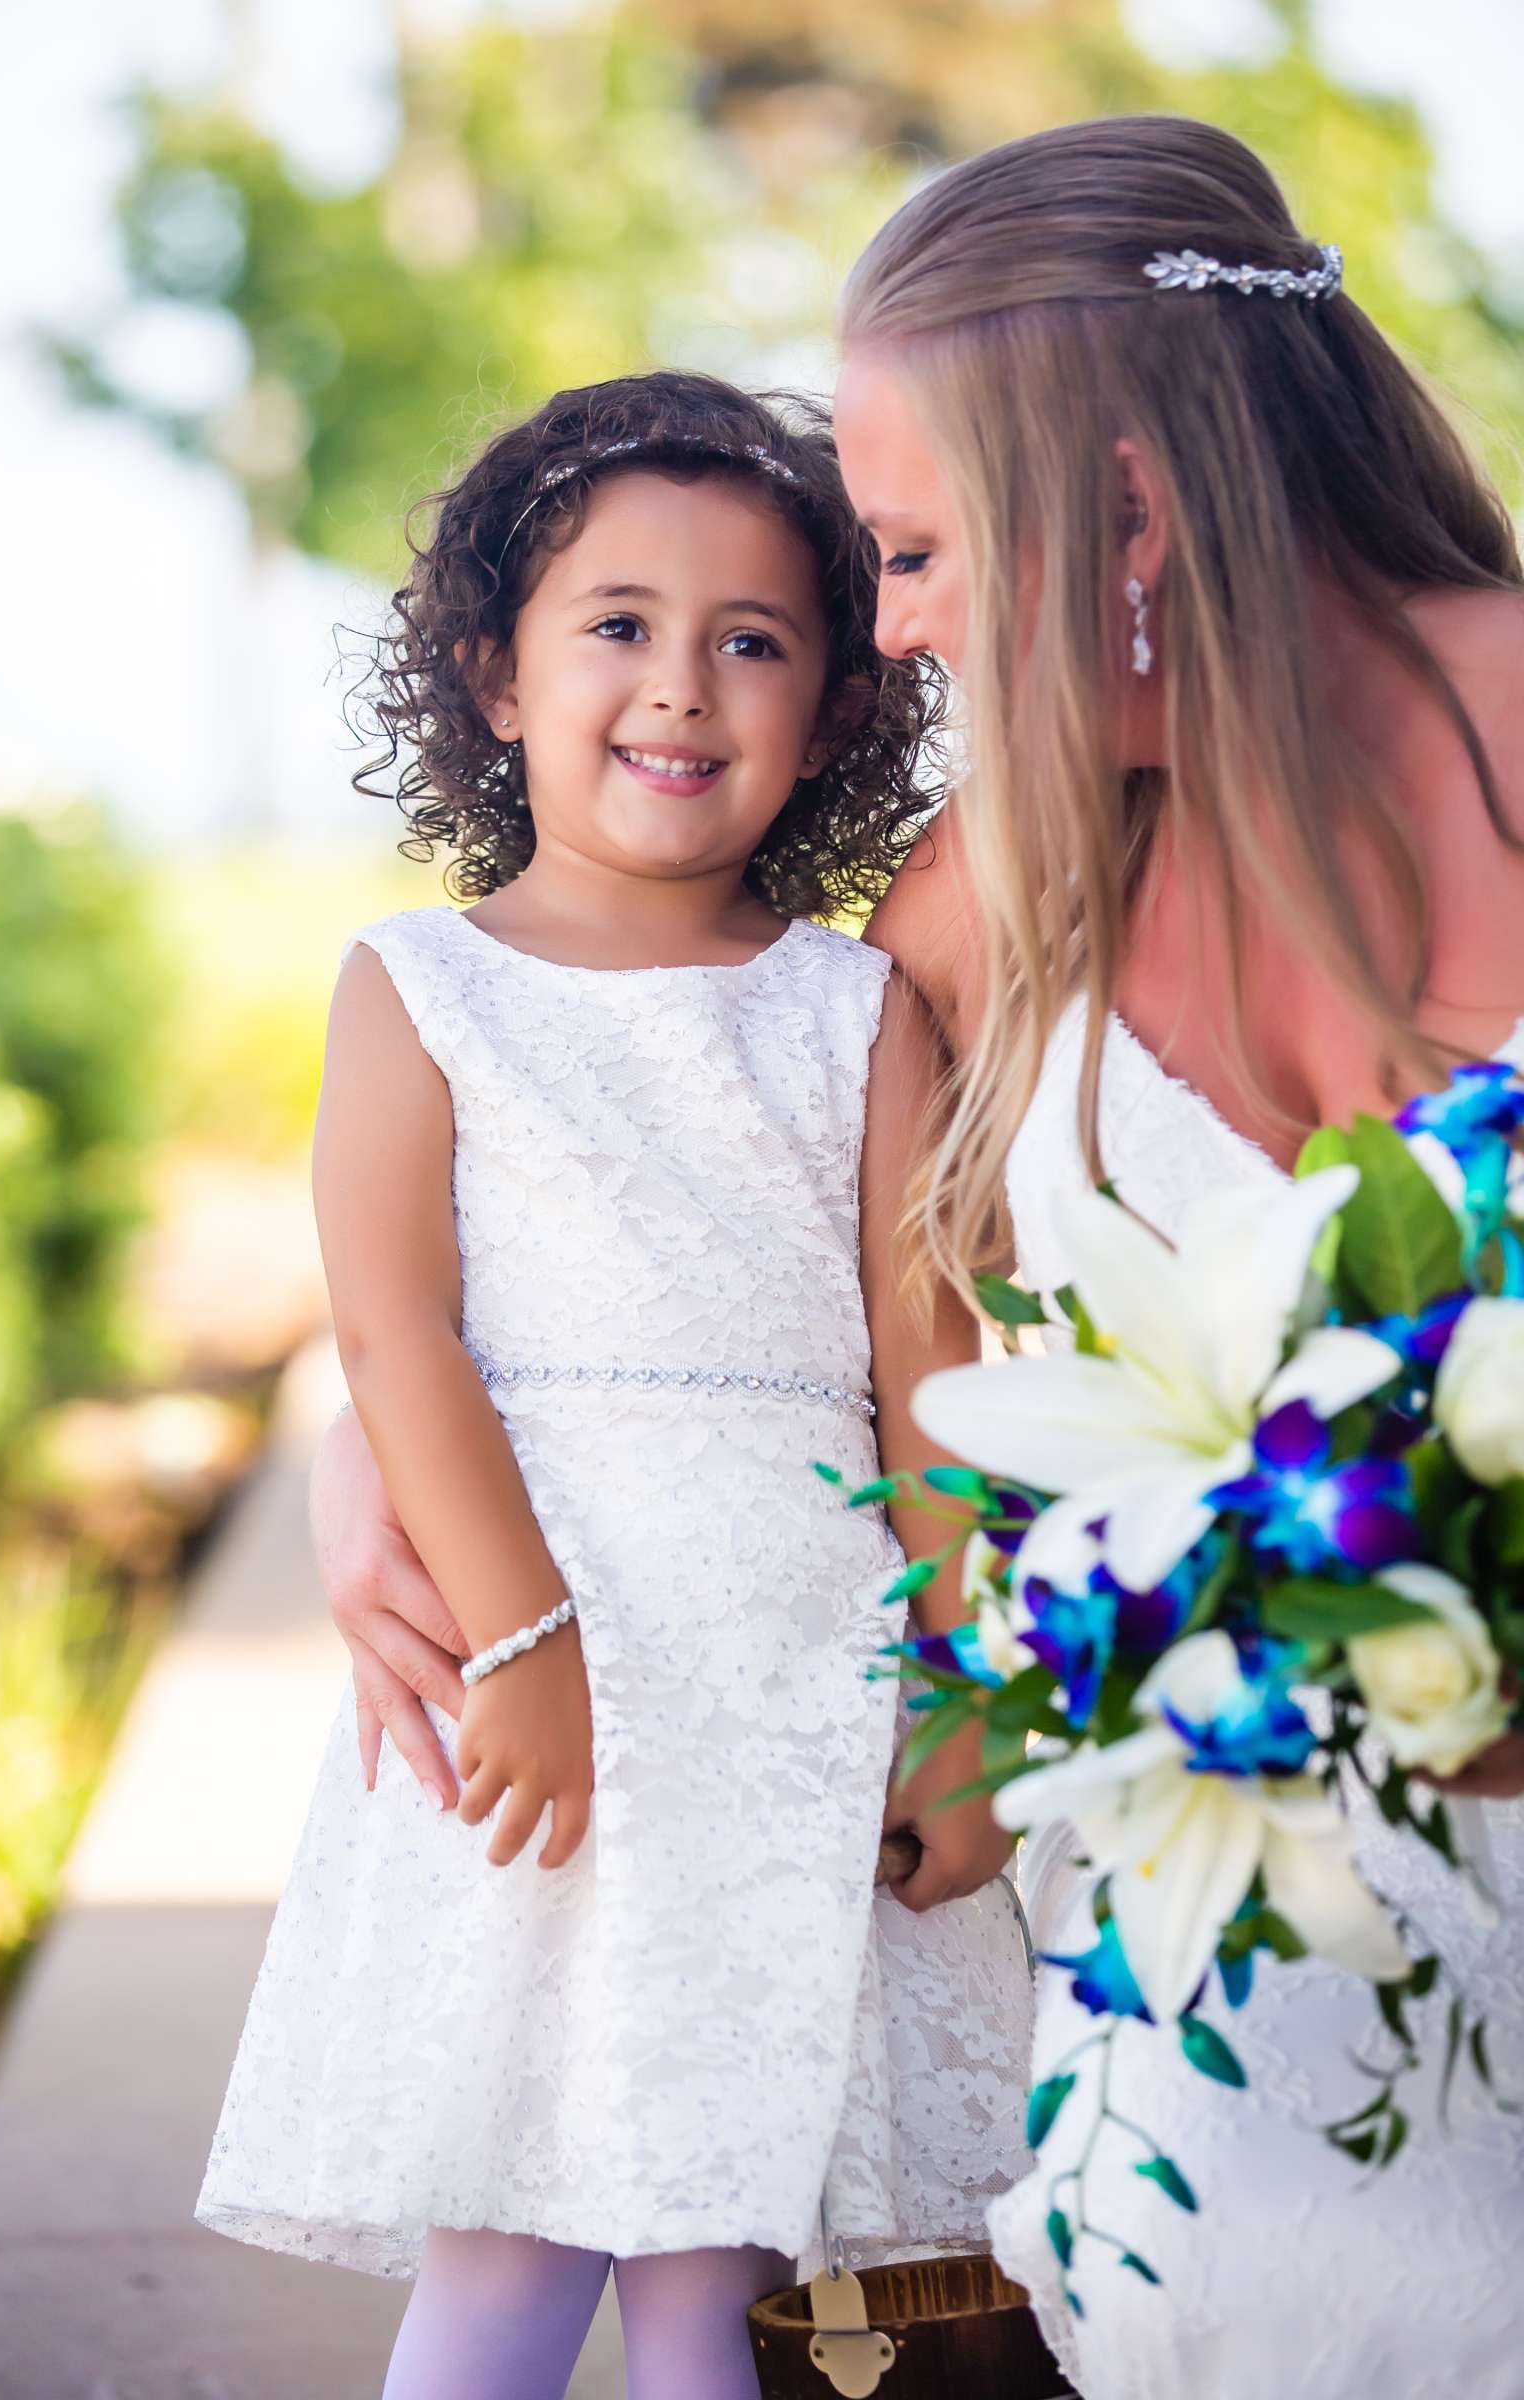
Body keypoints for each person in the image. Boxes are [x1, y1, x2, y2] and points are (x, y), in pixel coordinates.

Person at [196, 368, 1033, 2400]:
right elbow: (398, 1340)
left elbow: (923, 1378)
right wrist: (521, 1639)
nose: (680, 686)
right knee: (504, 2256)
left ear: (833, 707)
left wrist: (963, 1698)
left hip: (790, 1699)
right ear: (493, 679)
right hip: (532, 1685)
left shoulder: (850, 1009)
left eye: (751, 641)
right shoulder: (421, 989)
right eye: (618, 627)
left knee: (717, 2270)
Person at [836, 115, 1524, 2400]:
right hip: (1233, 2004)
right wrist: (380, 1479)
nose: (890, 624)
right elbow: (774, 1315)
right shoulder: (991, 903)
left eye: (917, 547)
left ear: (1124, 513)